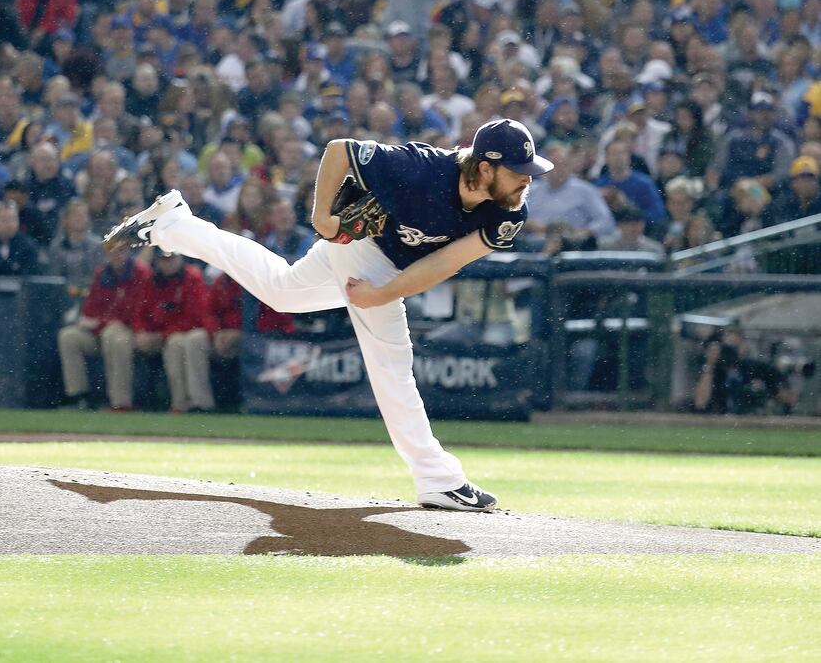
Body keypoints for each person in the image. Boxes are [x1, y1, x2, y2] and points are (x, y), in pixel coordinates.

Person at [104, 118, 555, 512]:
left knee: (281, 291)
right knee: (392, 361)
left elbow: (444, 262)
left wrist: (383, 293)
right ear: (484, 167)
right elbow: (339, 150)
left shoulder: (507, 212)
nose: (527, 182)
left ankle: (174, 226)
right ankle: (438, 479)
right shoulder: (422, 167)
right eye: (519, 173)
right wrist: (322, 217)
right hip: (361, 247)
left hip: (387, 264)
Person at [58, 241, 151, 412]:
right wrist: (101, 323)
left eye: (121, 250)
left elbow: (137, 311)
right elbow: (89, 309)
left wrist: (101, 322)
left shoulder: (140, 272)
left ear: (129, 251)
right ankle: (79, 397)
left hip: (130, 329)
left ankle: (120, 402)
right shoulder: (102, 273)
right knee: (69, 336)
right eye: (112, 251)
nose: (117, 255)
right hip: (102, 329)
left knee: (114, 337)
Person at [133, 248, 216, 414]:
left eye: (172, 259)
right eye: (164, 259)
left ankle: (199, 403)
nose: (168, 263)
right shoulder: (152, 280)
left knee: (180, 342)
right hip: (162, 334)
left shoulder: (192, 277)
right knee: (174, 343)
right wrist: (141, 332)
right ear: (157, 261)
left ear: (180, 258)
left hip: (192, 331)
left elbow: (196, 316)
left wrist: (163, 335)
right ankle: (179, 404)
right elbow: (139, 311)